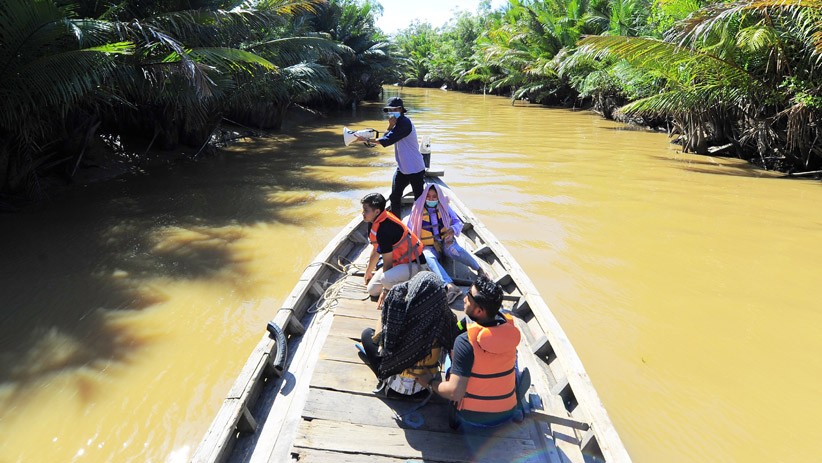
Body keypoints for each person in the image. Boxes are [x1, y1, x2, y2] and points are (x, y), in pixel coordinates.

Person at [414, 274, 522, 428]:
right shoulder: (509, 329)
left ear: (479, 311)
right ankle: (517, 402)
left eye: (469, 296)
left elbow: (454, 392)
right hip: (506, 413)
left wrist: (430, 382)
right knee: (513, 365)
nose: (464, 298)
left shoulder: (465, 342)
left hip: (471, 417)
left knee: (449, 355)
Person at [358, 271, 459, 396]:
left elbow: (384, 344)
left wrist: (384, 315)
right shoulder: (445, 319)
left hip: (394, 387)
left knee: (367, 334)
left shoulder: (399, 311)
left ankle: (383, 376)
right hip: (426, 388)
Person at [407, 183, 482, 304]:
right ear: (424, 197)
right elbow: (409, 231)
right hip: (428, 246)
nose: (431, 199)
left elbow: (458, 223)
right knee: (427, 257)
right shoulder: (417, 209)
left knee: (455, 251)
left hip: (445, 242)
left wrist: (452, 229)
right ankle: (450, 286)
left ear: (438, 197)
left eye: (434, 197)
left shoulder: (444, 206)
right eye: (428, 196)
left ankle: (479, 268)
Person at [357, 97, 425, 217]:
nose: (391, 112)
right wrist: (390, 126)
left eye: (394, 109)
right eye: (389, 110)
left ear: (400, 109)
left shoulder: (405, 123)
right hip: (403, 168)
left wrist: (366, 139)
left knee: (419, 199)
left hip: (415, 169)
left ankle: (420, 222)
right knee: (394, 197)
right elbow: (387, 136)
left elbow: (387, 140)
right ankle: (396, 223)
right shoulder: (397, 124)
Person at [360, 192, 426, 299]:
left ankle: (413, 287)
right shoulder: (373, 221)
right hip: (399, 263)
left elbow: (388, 263)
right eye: (363, 210)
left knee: (385, 280)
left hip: (415, 265)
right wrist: (368, 272)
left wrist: (385, 290)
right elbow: (376, 249)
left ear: (377, 212)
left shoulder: (385, 230)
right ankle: (400, 284)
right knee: (372, 290)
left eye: (366, 210)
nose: (363, 213)